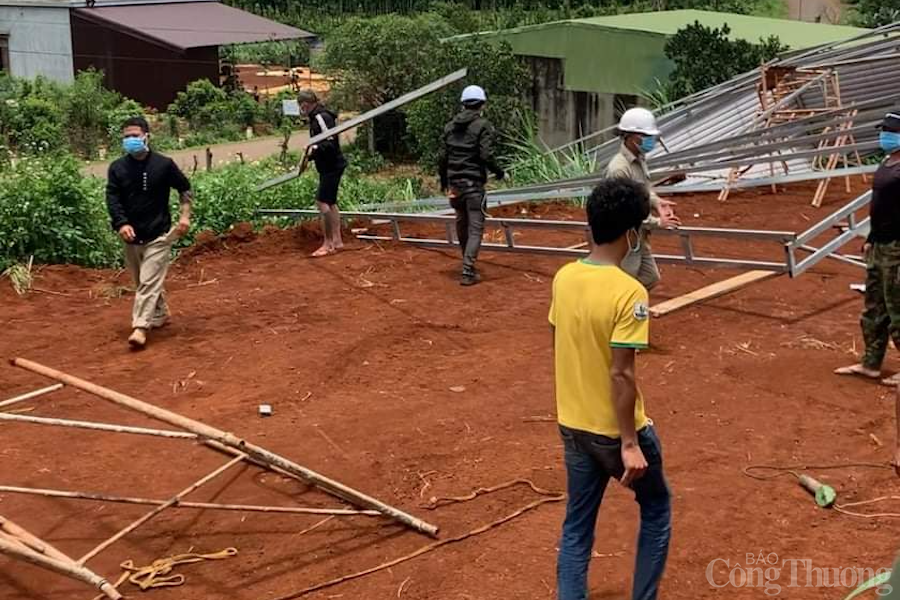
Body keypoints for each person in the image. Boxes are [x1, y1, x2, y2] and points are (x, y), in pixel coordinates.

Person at [550, 177, 671, 600]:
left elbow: (558, 341)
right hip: (616, 432)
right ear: (632, 234)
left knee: (577, 525)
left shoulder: (564, 277)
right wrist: (629, 443)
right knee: (656, 508)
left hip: (573, 425)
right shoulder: (629, 293)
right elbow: (622, 375)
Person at [106, 116, 192, 349]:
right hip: (131, 236)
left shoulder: (164, 165)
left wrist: (185, 216)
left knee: (147, 281)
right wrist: (121, 224)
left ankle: (140, 327)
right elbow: (113, 199)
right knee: (141, 281)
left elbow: (184, 188)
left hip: (159, 235)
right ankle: (160, 312)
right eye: (126, 136)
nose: (130, 140)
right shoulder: (117, 168)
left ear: (146, 136)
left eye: (135, 135)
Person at [836, 113, 900, 385]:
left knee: (897, 306)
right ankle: (870, 363)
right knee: (874, 306)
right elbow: (880, 207)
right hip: (880, 243)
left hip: (897, 247)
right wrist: (871, 238)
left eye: (890, 131)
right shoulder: (887, 163)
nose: (885, 135)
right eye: (884, 130)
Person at [606, 108, 681, 290]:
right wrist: (656, 222)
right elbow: (623, 212)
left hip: (639, 234)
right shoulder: (619, 169)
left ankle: (624, 301)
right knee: (625, 281)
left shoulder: (639, 159)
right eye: (646, 136)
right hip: (624, 237)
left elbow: (644, 189)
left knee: (649, 277)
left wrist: (656, 202)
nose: (650, 140)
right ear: (631, 136)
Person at [438, 85, 505, 286]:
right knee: (475, 228)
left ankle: (467, 264)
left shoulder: (449, 127)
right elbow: (485, 155)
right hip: (474, 185)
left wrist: (444, 182)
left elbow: (442, 157)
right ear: (482, 104)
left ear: (463, 104)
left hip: (455, 185)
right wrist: (499, 172)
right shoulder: (483, 126)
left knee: (461, 223)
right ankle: (467, 271)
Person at [298, 89, 347, 257]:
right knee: (331, 203)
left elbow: (330, 143)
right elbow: (323, 144)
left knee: (322, 202)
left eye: (301, 106)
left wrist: (313, 149)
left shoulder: (321, 117)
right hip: (328, 165)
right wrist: (310, 155)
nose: (301, 110)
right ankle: (337, 241)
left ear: (305, 105)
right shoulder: (317, 117)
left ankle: (328, 244)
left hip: (332, 165)